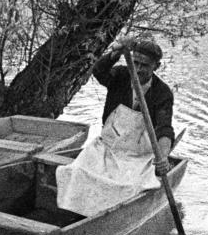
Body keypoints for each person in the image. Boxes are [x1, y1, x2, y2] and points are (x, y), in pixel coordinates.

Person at [55, 36, 176, 216]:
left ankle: (110, 215)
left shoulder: (162, 92)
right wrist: (117, 51)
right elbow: (99, 70)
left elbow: (165, 129)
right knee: (76, 171)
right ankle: (75, 212)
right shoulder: (120, 75)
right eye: (135, 63)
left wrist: (163, 157)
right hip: (108, 146)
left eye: (145, 65)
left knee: (130, 186)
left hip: (138, 153)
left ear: (156, 67)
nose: (139, 69)